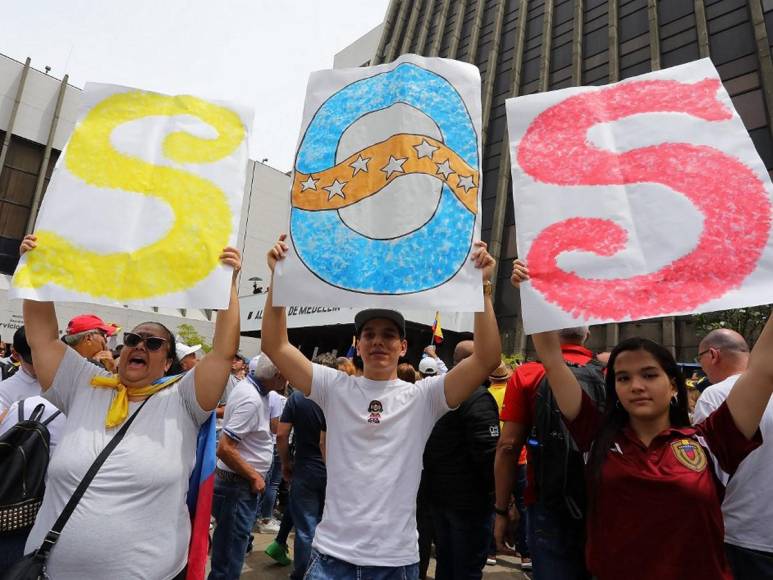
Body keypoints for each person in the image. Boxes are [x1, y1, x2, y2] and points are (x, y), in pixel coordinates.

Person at [511, 260, 772, 580]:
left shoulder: (712, 439)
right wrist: (533, 293)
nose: (636, 386)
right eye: (623, 378)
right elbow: (552, 360)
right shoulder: (595, 434)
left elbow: (763, 368)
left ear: (674, 385)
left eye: (649, 375)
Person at [261, 234, 501, 579]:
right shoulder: (334, 386)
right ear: (357, 345)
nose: (377, 341)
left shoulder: (424, 397)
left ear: (403, 346)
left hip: (395, 560)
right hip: (331, 557)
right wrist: (277, 281)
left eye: (388, 334)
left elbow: (487, 357)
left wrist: (483, 287)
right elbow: (275, 344)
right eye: (368, 334)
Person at [19, 234, 241, 580]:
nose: (140, 345)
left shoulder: (183, 399)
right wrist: (35, 272)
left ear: (168, 362)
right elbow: (42, 338)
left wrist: (226, 286)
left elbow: (224, 352)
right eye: (133, 340)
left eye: (154, 343)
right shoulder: (84, 384)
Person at [494, 326, 594, 579]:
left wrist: (501, 509)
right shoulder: (609, 372)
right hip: (603, 501)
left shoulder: (529, 373)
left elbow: (508, 446)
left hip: (547, 500)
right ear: (588, 334)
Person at [693, 329, 773, 578]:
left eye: (700, 359)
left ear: (713, 355)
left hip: (743, 530)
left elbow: (705, 470)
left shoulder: (715, 395)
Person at [421, 339, 501, 579]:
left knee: (447, 563)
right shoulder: (476, 396)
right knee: (465, 567)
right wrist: (498, 497)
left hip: (439, 496)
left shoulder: (438, 390)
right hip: (468, 502)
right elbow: (487, 453)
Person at [209, 354, 286, 580]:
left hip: (237, 486)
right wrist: (254, 476)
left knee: (230, 550)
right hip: (237, 487)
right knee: (230, 556)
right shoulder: (251, 398)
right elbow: (225, 447)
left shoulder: (253, 391)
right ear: (279, 376)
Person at [275, 362, 328, 579]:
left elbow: (281, 435)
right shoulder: (340, 398)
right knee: (328, 528)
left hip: (305, 469)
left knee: (305, 529)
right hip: (333, 471)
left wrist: (286, 463)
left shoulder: (297, 398)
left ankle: (303, 574)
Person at [257, 387, 288, 534]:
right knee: (273, 484)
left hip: (266, 444)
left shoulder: (264, 395)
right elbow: (276, 428)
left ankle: (261, 516)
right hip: (275, 444)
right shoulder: (276, 397)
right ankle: (266, 519)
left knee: (267, 482)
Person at [0, 326, 46, 419]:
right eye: (33, 360)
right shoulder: (5, 391)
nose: (42, 364)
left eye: (46, 358)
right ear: (16, 355)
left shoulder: (63, 379)